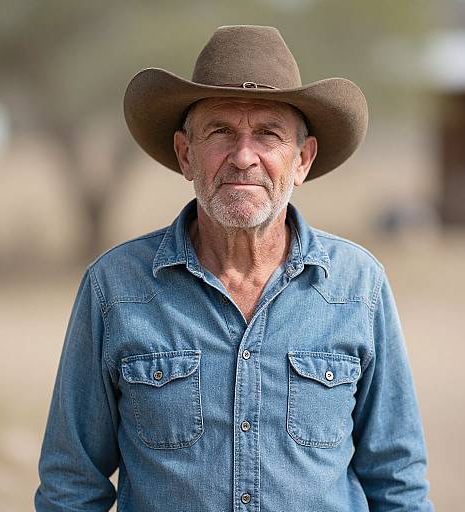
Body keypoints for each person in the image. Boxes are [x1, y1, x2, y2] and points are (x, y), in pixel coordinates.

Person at [35, 25, 434, 511]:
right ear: (186, 154)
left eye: (268, 134)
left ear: (302, 160)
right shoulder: (115, 287)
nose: (244, 157)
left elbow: (397, 483)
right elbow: (71, 484)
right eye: (220, 132)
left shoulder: (358, 285)